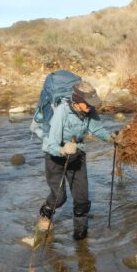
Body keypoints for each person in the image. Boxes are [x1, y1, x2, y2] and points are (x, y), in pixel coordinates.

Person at [38, 81, 116, 240]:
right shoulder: (62, 111)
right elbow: (51, 143)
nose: (90, 107)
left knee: (82, 200)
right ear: (77, 100)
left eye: (92, 104)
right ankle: (46, 213)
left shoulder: (89, 110)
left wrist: (111, 138)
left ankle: (80, 237)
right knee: (59, 197)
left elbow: (97, 129)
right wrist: (62, 150)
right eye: (87, 103)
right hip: (55, 157)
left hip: (77, 155)